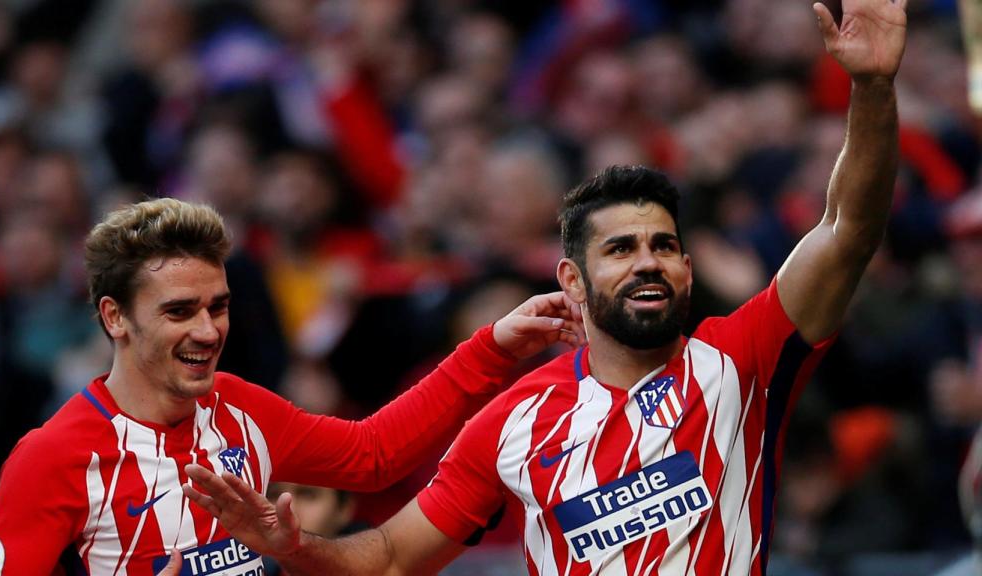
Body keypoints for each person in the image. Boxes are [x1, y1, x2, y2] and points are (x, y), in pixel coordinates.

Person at [181, 0, 908, 574]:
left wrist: (872, 89)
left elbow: (847, 230)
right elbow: (394, 558)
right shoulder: (514, 421)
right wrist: (291, 547)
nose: (648, 262)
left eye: (665, 246)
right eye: (620, 249)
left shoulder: (741, 360)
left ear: (689, 269)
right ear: (572, 278)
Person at [0, 197, 585, 575]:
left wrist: (494, 344)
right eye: (180, 311)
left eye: (219, 306)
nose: (209, 330)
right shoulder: (52, 456)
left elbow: (374, 455)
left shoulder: (236, 405)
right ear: (115, 318)